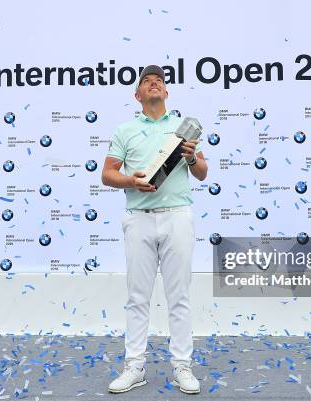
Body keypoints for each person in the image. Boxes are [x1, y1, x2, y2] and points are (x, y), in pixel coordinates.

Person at [102, 65, 208, 394]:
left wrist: (191, 159)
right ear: (137, 95)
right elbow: (107, 174)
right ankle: (135, 366)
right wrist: (131, 180)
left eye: (159, 81)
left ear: (166, 92)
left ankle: (182, 368)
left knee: (179, 296)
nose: (154, 84)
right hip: (138, 217)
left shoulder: (183, 126)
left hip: (177, 215)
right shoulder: (125, 129)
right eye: (147, 81)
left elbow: (202, 172)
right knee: (137, 297)